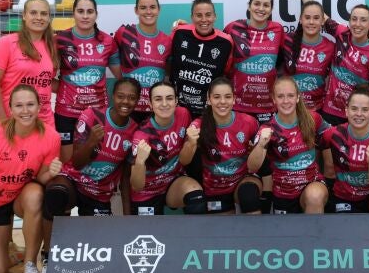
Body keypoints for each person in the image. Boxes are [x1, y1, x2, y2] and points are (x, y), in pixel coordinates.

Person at [38, 78, 141, 273]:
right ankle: (49, 260)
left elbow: (124, 178)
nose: (125, 102)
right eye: (121, 96)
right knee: (55, 193)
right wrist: (92, 141)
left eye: (131, 98)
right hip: (74, 181)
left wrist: (129, 218)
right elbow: (76, 162)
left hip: (99, 194)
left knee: (98, 254)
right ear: (112, 96)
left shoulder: (134, 131)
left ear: (138, 101)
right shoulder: (92, 115)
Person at [0, 84, 61, 273]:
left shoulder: (51, 137)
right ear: (10, 109)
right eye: (19, 105)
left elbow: (40, 179)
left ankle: (30, 264)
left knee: (35, 194)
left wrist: (51, 173)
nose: (25, 110)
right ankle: (10, 255)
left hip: (20, 198)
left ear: (39, 107)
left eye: (30, 104)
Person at [291, 0, 369, 127]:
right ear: (349, 22)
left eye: (363, 20)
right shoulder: (342, 34)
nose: (358, 24)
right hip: (330, 112)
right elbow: (317, 12)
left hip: (356, 115)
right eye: (354, 19)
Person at [247, 77, 330, 214]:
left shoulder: (313, 119)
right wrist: (261, 144)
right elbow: (252, 167)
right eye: (280, 96)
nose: (286, 101)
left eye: (290, 95)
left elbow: (334, 137)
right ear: (274, 99)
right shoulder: (268, 128)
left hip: (311, 183)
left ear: (298, 97)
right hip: (283, 192)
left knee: (315, 196)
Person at [55, 0, 121, 162]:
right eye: (80, 11)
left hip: (97, 113)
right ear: (73, 13)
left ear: (96, 14)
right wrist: (64, 88)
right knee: (68, 163)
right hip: (67, 112)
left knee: (94, 160)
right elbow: (45, 76)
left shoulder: (107, 41)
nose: (85, 16)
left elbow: (121, 76)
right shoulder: (60, 40)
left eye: (90, 11)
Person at [181, 77, 261, 214]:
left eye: (227, 97)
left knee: (248, 195)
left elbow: (262, 161)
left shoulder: (249, 122)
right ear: (208, 99)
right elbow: (184, 161)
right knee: (219, 224)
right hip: (214, 188)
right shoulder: (198, 125)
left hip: (242, 181)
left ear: (234, 99)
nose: (222, 101)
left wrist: (257, 147)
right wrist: (191, 143)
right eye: (217, 97)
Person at [129, 81, 203, 216]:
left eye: (169, 98)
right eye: (158, 99)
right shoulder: (141, 136)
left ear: (176, 101)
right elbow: (136, 186)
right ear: (150, 104)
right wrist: (139, 162)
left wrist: (191, 143)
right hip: (146, 192)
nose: (164, 104)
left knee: (196, 199)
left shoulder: (183, 114)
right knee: (150, 230)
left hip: (172, 182)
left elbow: (185, 161)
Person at [0, 0, 58, 128]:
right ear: (24, 15)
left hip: (44, 121)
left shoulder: (53, 46)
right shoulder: (6, 43)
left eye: (44, 14)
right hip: (11, 121)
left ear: (49, 18)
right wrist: (4, 122)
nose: (39, 17)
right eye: (33, 13)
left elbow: (47, 81)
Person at [224, 0, 285, 125]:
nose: (261, 9)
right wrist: (185, 27)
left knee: (265, 139)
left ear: (271, 9)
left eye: (266, 5)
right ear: (249, 6)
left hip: (267, 107)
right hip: (238, 105)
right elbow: (213, 42)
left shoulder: (278, 30)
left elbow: (281, 61)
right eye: (257, 4)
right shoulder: (233, 28)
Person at [170, 0, 234, 118]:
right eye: (199, 15)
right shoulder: (179, 33)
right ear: (192, 17)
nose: (204, 20)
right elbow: (167, 61)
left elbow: (226, 72)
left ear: (215, 16)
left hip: (209, 111)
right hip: (178, 108)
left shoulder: (226, 42)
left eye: (208, 15)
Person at [115, 0, 173, 123]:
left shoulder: (167, 41)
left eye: (152, 7)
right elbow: (110, 56)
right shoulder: (124, 33)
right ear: (136, 10)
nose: (148, 12)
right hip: (128, 106)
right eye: (143, 8)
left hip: (155, 108)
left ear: (159, 9)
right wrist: (123, 79)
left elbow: (169, 71)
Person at [279, 0, 336, 112]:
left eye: (316, 18)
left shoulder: (330, 47)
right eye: (307, 17)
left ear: (322, 21)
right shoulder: (287, 40)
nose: (311, 22)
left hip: (316, 110)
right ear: (300, 19)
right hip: (288, 108)